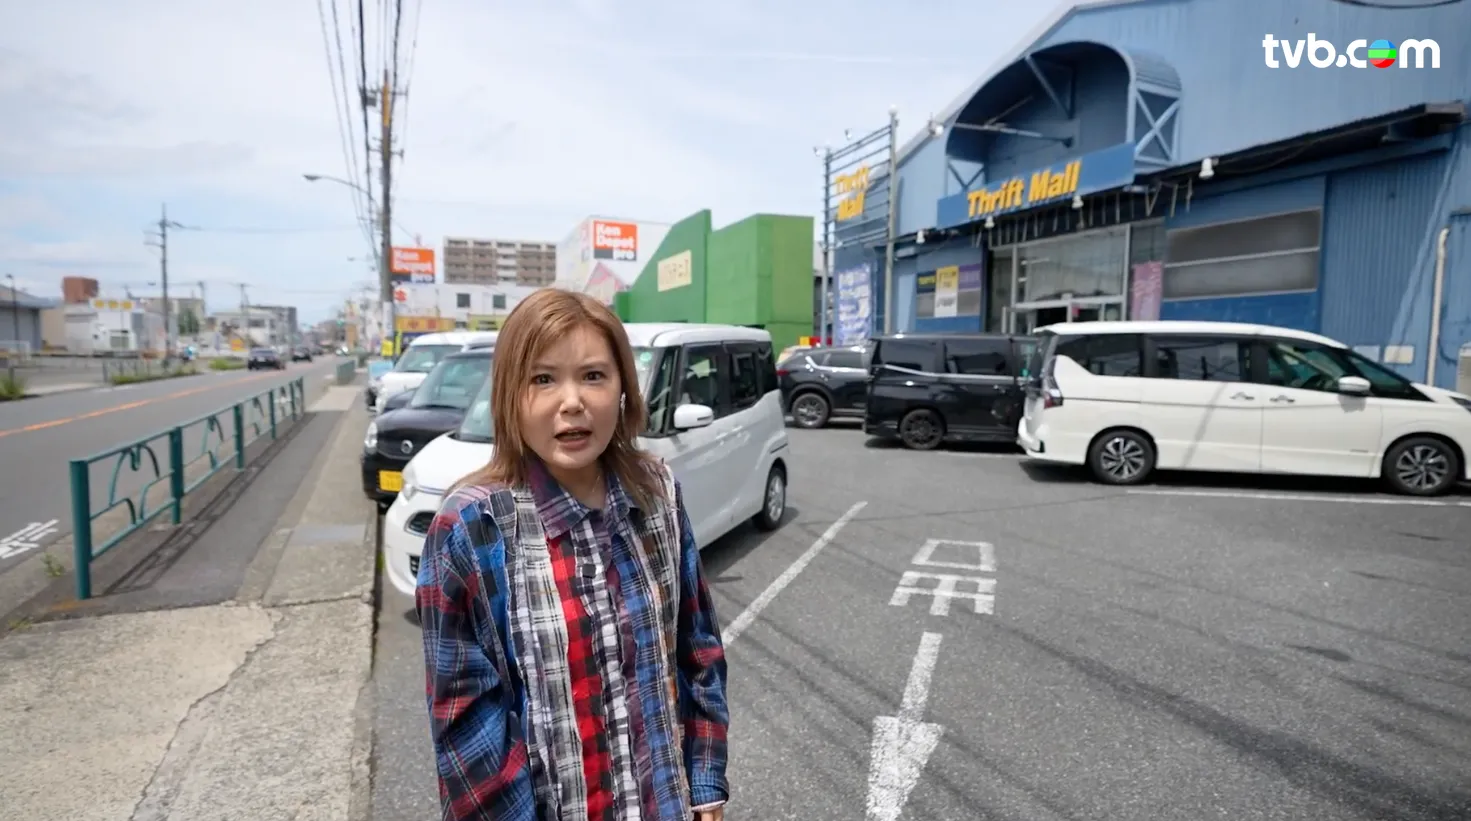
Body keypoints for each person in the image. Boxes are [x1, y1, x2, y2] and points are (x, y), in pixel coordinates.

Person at [416, 288, 730, 821]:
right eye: (543, 379)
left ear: (624, 389)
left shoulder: (657, 491)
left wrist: (704, 782)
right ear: (511, 396)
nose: (572, 402)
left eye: (593, 375)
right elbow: (467, 727)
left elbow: (697, 646)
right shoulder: (472, 526)